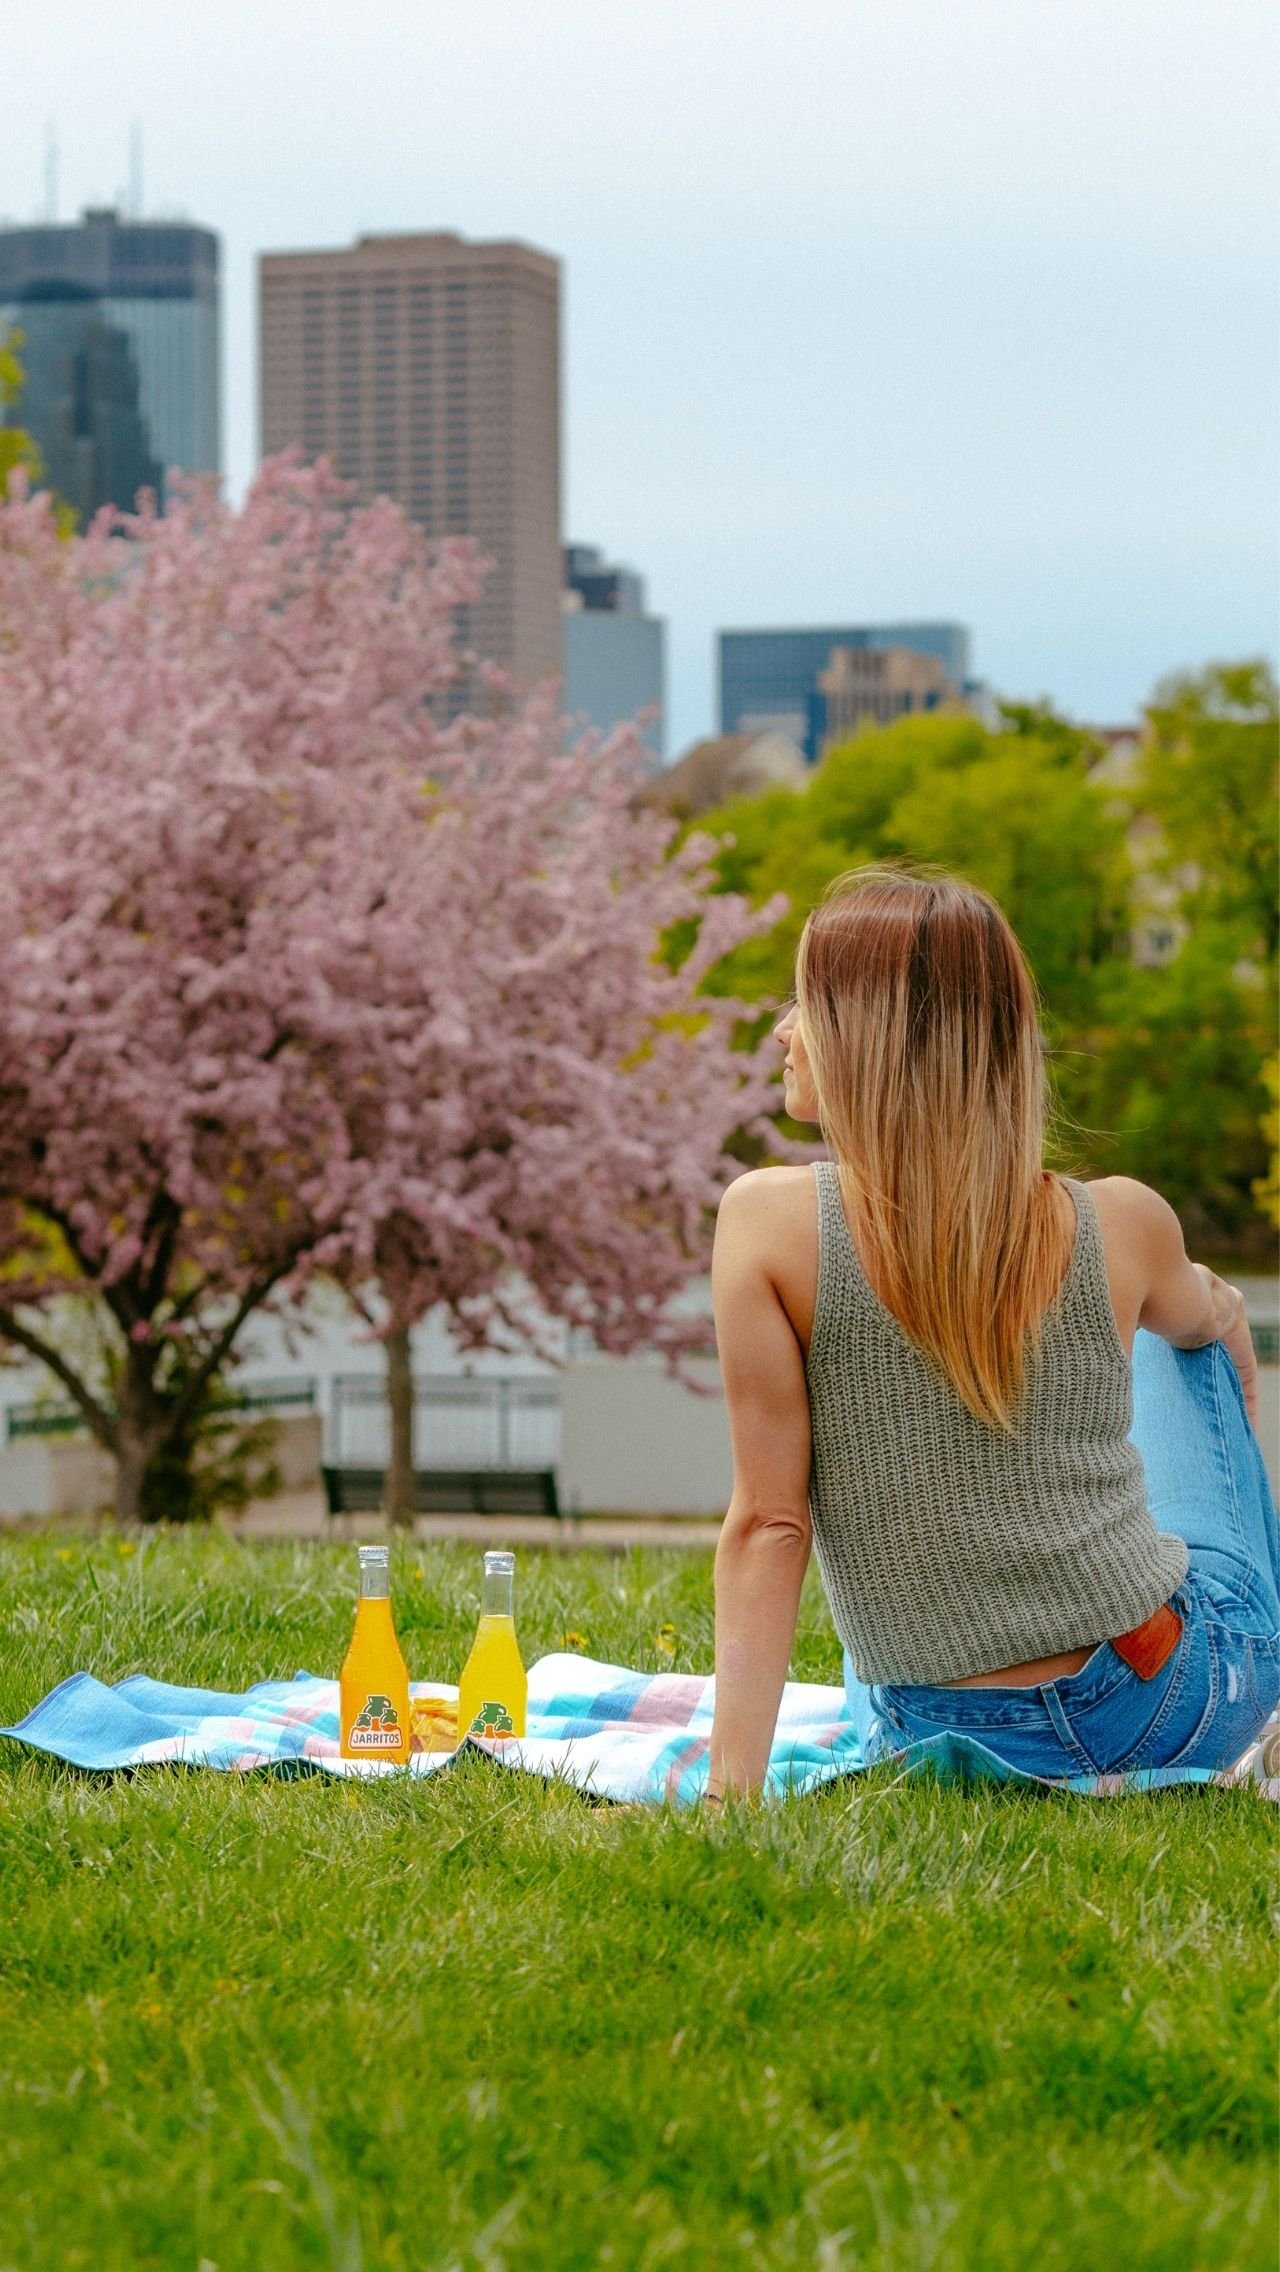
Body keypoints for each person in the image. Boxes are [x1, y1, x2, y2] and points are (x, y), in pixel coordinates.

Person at [707, 867, 1278, 1798]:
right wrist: (1229, 1354)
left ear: (868, 1036)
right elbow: (1210, 1328)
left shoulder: (765, 1226)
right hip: (1161, 1697)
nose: (781, 1031)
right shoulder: (1124, 1221)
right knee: (1195, 1334)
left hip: (934, 1725)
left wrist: (727, 1798)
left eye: (803, 1002)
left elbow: (772, 1524)